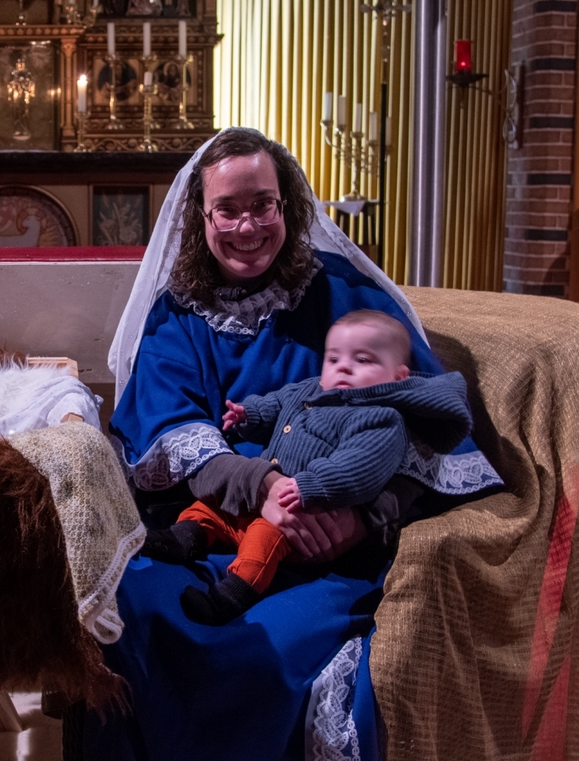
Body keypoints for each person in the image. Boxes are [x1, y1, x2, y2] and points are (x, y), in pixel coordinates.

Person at [78, 127, 502, 760]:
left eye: (263, 205)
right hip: (207, 531)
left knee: (268, 654)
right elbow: (168, 428)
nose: (247, 226)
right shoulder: (177, 314)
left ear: (289, 206)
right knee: (134, 616)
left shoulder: (347, 294)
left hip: (324, 548)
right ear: (201, 217)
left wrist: (361, 519)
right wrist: (266, 487)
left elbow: (422, 414)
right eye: (227, 209)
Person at [142, 309, 473, 625]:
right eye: (334, 359)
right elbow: (277, 402)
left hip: (307, 514)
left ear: (398, 377)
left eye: (362, 360)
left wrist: (314, 486)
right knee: (211, 507)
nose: (343, 368)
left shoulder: (381, 418)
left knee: (265, 538)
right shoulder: (310, 389)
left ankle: (230, 595)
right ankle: (183, 538)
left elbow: (359, 467)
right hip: (261, 496)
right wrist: (249, 415)